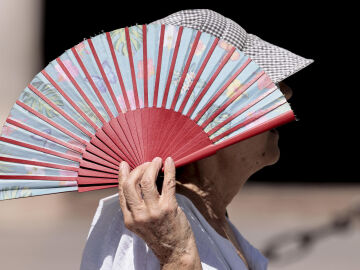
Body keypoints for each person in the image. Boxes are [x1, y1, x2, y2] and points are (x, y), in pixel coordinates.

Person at [80, 10, 313, 270]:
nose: (286, 93)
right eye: (261, 86)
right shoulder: (143, 226)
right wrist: (177, 256)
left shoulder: (212, 220)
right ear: (207, 117)